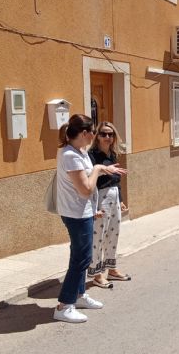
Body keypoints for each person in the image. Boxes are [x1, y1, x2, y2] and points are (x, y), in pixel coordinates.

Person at [54, 114, 127, 323]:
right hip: (76, 214)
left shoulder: (79, 151)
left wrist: (106, 169)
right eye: (94, 132)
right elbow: (85, 189)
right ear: (84, 133)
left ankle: (78, 296)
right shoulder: (70, 155)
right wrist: (97, 168)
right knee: (81, 259)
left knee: (80, 256)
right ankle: (63, 305)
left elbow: (89, 184)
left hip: (84, 211)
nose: (95, 136)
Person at [87, 121, 131, 288]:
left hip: (114, 198)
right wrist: (94, 207)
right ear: (97, 136)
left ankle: (111, 270)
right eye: (103, 134)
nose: (107, 137)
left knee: (113, 235)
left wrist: (120, 199)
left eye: (110, 134)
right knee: (98, 237)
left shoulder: (113, 154)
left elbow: (117, 179)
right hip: (100, 199)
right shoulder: (92, 156)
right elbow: (89, 182)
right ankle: (97, 275)